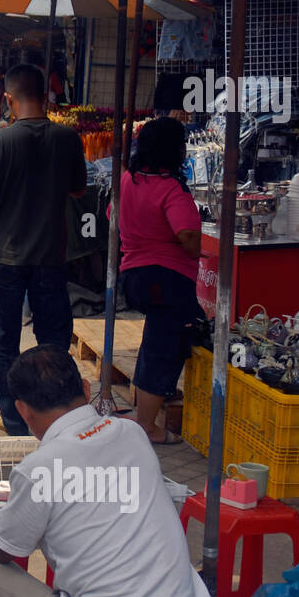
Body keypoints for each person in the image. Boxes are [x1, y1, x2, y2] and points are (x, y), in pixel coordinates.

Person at [0, 346, 221, 597]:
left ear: (23, 411)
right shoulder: (133, 434)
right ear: (86, 390)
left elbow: (3, 548)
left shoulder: (39, 468)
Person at [0, 64, 87, 436]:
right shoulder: (68, 138)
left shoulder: (1, 141)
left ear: (8, 98)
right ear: (45, 94)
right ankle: (57, 415)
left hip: (7, 255)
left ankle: (15, 420)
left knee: (4, 340)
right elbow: (78, 190)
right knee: (53, 338)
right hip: (51, 255)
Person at [118, 117, 204, 445]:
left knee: (155, 340)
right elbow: (187, 234)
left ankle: (147, 409)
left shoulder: (129, 178)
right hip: (166, 278)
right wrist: (195, 250)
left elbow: (115, 215)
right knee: (164, 346)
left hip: (134, 275)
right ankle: (147, 425)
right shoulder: (171, 187)